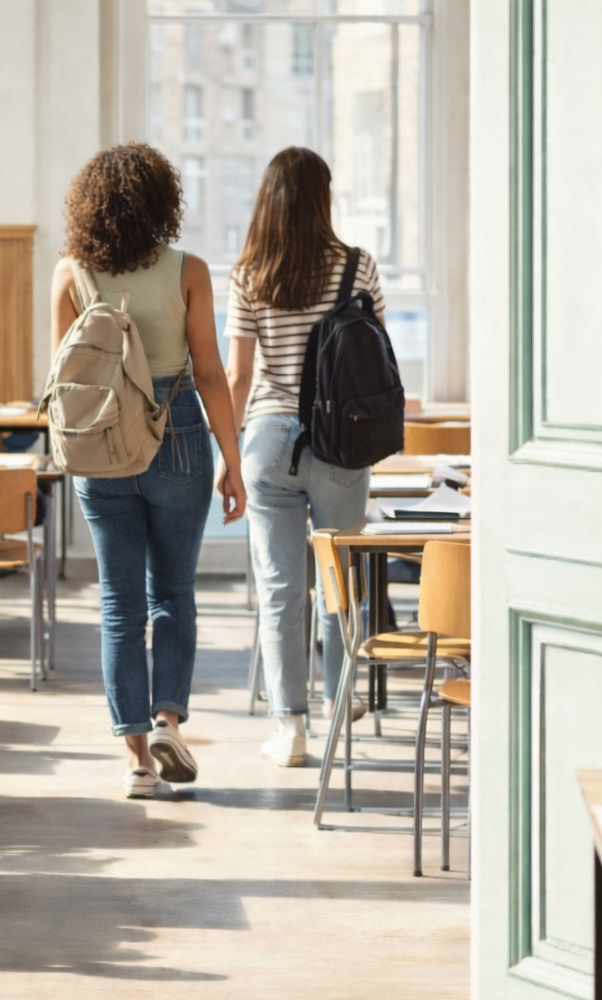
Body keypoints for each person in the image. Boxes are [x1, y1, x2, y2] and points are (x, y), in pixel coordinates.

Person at [51, 142, 246, 799]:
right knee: (173, 593)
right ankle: (169, 720)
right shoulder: (188, 270)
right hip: (178, 434)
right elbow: (213, 373)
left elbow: (65, 379)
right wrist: (232, 460)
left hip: (102, 441)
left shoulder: (69, 274)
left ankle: (136, 761)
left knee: (119, 602)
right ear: (164, 202)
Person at [222, 146, 387, 768]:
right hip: (341, 442)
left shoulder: (248, 274)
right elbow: (374, 361)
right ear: (325, 197)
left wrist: (229, 456)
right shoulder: (359, 266)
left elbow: (239, 377)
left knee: (280, 586)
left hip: (268, 440)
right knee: (340, 580)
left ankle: (290, 727)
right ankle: (341, 702)